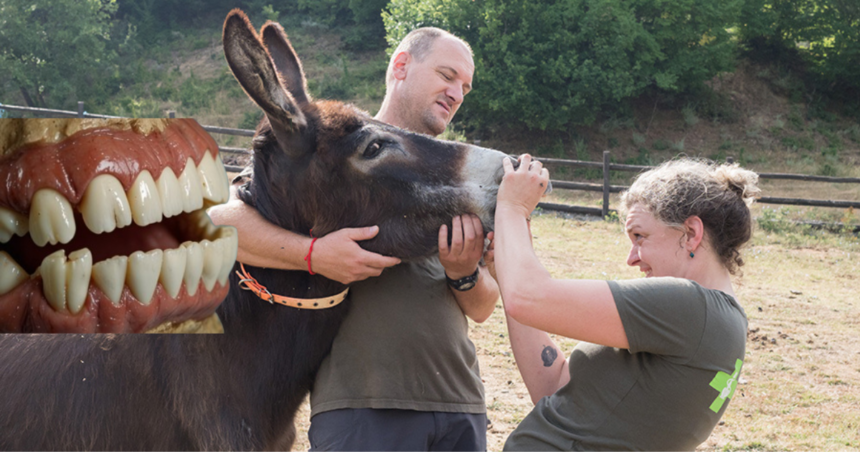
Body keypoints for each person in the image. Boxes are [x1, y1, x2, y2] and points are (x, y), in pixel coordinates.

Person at [208, 27, 499, 450]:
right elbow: (219, 223)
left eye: (466, 87)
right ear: (401, 66)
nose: (457, 93)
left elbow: (486, 306)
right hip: (363, 410)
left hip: (459, 404)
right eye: (447, 74)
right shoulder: (329, 147)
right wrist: (314, 255)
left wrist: (463, 274)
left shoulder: (451, 175)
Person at [489, 156, 758, 450]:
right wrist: (507, 267)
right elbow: (553, 388)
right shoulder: (716, 320)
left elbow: (527, 298)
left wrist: (513, 208)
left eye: (640, 236)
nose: (631, 259)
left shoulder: (689, 306)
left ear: (691, 234)